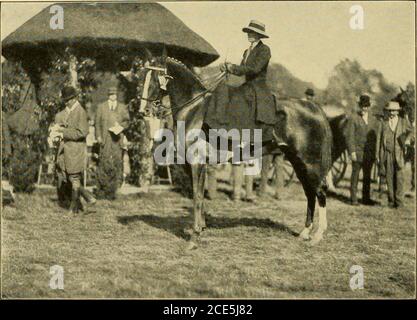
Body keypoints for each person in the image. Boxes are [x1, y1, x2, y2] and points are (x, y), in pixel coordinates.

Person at [220, 20, 276, 124]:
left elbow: (255, 69)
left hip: (258, 88)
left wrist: (232, 67)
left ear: (259, 35)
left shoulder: (264, 49)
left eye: (252, 32)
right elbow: (241, 70)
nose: (249, 34)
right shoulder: (247, 51)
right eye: (248, 31)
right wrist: (227, 67)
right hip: (247, 86)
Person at [53, 86, 96, 213]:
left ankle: (74, 208)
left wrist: (63, 133)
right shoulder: (72, 111)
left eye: (68, 100)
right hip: (67, 150)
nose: (66, 102)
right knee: (67, 176)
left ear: (74, 98)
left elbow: (82, 132)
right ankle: (88, 197)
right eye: (65, 100)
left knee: (74, 177)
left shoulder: (80, 112)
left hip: (75, 150)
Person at [376, 101, 413, 208]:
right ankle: (391, 201)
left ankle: (399, 202)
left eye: (394, 111)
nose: (392, 113)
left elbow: (412, 132)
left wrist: (407, 140)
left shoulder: (403, 122)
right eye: (390, 110)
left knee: (400, 178)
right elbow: (379, 140)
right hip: (386, 154)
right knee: (389, 178)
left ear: (398, 111)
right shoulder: (383, 123)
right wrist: (378, 155)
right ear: (388, 111)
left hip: (399, 154)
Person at [95, 87, 130, 191]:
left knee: (117, 159)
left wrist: (120, 127)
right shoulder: (101, 107)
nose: (112, 96)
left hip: (117, 138)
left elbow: (127, 122)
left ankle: (117, 184)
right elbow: (97, 123)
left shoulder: (122, 107)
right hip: (105, 138)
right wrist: (98, 137)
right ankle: (103, 183)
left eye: (114, 94)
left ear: (116, 95)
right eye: (110, 94)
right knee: (103, 159)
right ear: (108, 95)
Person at [346, 94, 379, 206]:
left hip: (369, 154)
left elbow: (374, 137)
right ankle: (353, 199)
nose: (364, 108)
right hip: (358, 152)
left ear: (369, 107)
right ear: (359, 106)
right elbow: (350, 136)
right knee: (355, 175)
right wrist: (352, 152)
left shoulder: (373, 119)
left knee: (367, 176)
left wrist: (374, 152)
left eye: (366, 106)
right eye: (362, 106)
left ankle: (366, 198)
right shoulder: (353, 118)